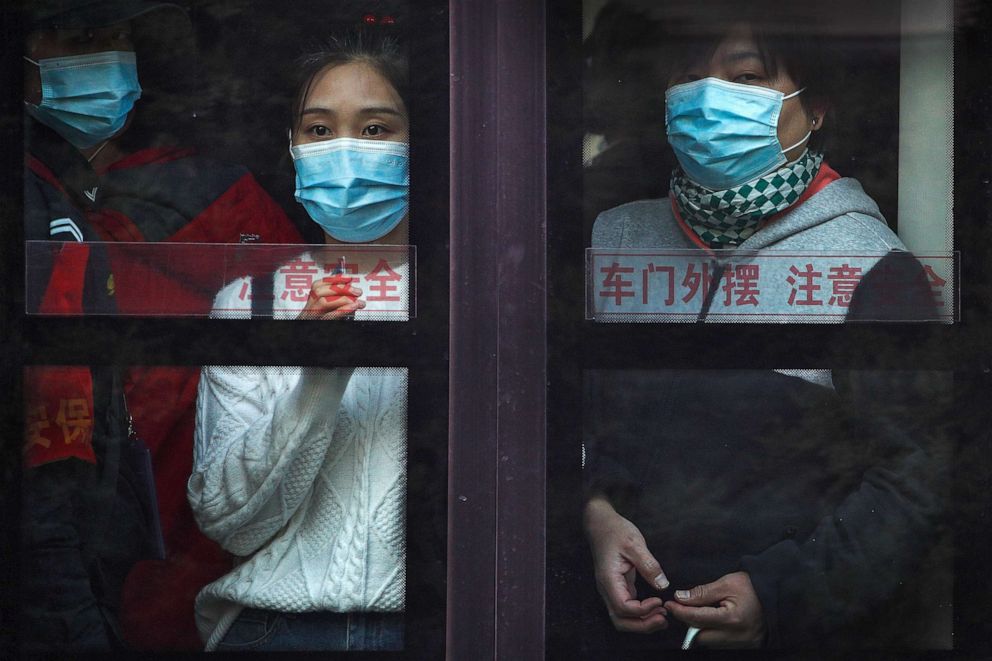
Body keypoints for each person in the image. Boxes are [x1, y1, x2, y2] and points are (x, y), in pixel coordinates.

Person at [584, 2, 945, 650]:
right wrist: (592, 513)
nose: (709, 97)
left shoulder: (873, 267)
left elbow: (912, 481)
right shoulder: (614, 237)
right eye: (690, 74)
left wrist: (778, 594)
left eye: (746, 77)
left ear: (816, 105)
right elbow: (563, 420)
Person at [20, 0, 303, 651]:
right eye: (83, 36)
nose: (109, 57)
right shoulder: (36, 196)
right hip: (92, 534)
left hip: (197, 537)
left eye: (120, 38)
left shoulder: (224, 200)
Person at [187, 31, 409, 651]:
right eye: (318, 130)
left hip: (435, 625)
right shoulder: (249, 304)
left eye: (375, 130)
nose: (344, 151)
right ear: (292, 149)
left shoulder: (473, 302)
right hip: (271, 631)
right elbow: (229, 523)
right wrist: (318, 378)